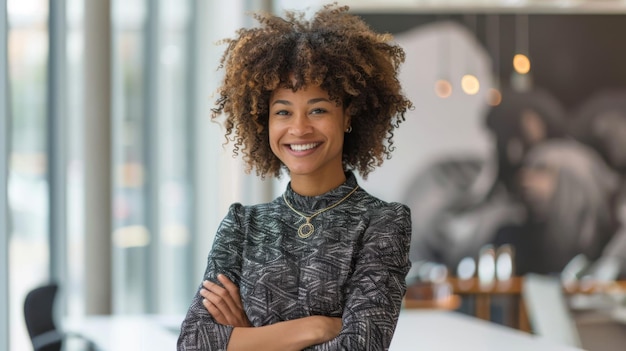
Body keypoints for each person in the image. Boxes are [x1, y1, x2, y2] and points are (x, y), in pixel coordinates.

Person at [177, 4, 413, 351]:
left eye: (318, 109)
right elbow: (193, 342)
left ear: (348, 115)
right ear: (264, 122)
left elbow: (362, 345)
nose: (299, 128)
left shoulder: (383, 222)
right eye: (283, 111)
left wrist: (246, 338)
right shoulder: (242, 226)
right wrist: (317, 328)